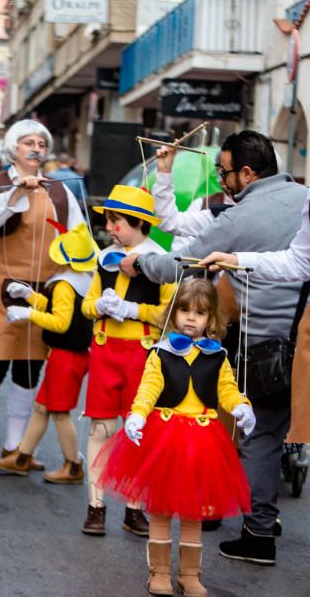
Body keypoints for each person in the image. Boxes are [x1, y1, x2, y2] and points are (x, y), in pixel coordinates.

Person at [120, 131, 306, 565]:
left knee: (240, 428)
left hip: (261, 344)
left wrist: (141, 260)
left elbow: (173, 264)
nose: (220, 179)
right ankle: (257, 515)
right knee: (272, 432)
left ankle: (255, 530)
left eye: (224, 172)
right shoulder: (301, 197)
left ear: (246, 171)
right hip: (303, 340)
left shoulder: (238, 219)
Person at [97, 278, 255, 596]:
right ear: (173, 313)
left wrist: (242, 406)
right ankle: (159, 573)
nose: (191, 318)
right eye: (184, 310)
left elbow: (227, 389)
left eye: (200, 312)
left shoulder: (219, 356)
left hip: (203, 442)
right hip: (165, 438)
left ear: (213, 319)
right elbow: (149, 387)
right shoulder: (160, 352)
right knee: (161, 508)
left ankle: (190, 574)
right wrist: (138, 414)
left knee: (194, 509)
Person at [0, 119, 85, 466]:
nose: (36, 149)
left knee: (29, 368)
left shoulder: (61, 192)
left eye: (42, 144)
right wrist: (17, 192)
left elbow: (77, 238)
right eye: (28, 142)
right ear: (13, 149)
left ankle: (15, 447)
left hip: (43, 292)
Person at [79, 185, 175, 537]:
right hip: (105, 351)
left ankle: (134, 508)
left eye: (115, 220)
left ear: (137, 222)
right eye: (108, 220)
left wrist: (133, 310)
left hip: (143, 355)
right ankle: (96, 506)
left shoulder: (161, 261)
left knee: (137, 432)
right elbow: (86, 305)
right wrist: (99, 306)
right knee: (100, 429)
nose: (109, 227)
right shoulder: (104, 258)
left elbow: (170, 315)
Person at [0, 221, 97, 482]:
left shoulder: (63, 284)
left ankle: (73, 465)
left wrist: (29, 313)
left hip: (65, 356)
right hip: (73, 355)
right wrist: (29, 295)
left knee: (59, 413)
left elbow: (60, 321)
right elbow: (60, 308)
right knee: (41, 408)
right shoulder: (82, 280)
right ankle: (22, 456)